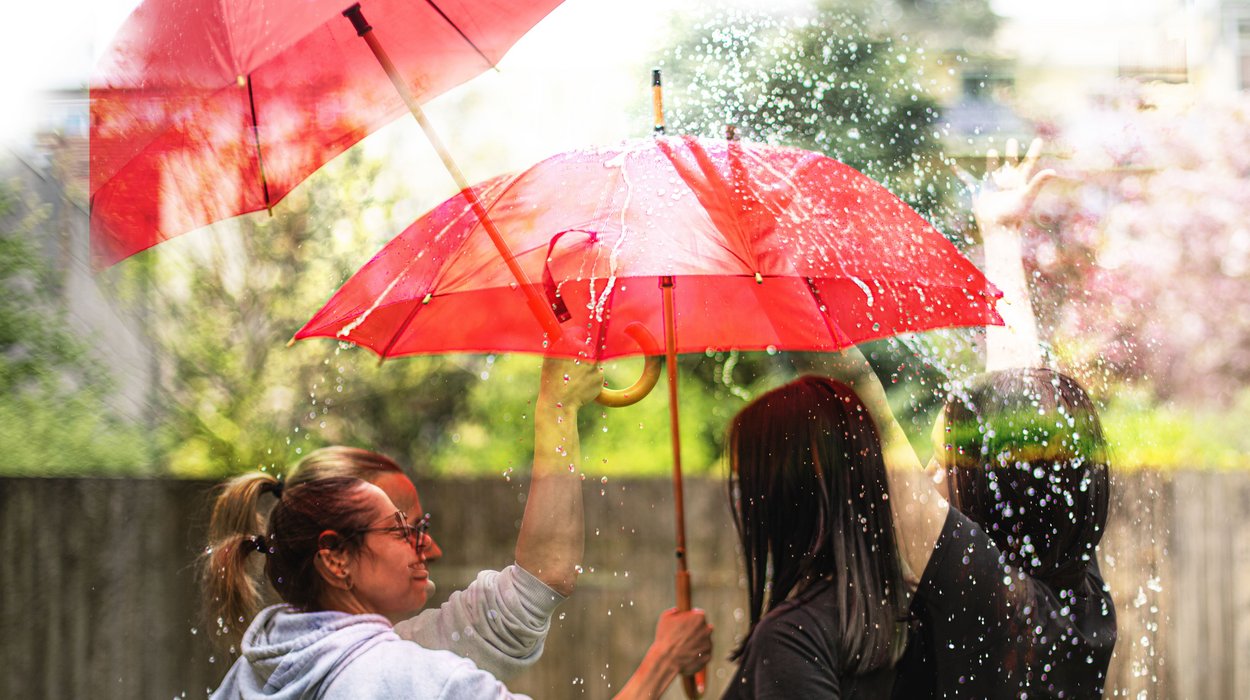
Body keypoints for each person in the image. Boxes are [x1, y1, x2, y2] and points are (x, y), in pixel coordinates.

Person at [201, 357, 713, 698]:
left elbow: (530, 593)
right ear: (334, 555)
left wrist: (556, 413)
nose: (431, 547)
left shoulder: (253, 671)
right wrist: (664, 659)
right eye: (402, 527)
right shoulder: (410, 677)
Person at [855, 138, 1115, 698]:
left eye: (942, 459)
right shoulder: (1074, 589)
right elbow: (1023, 414)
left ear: (994, 488)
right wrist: (1001, 238)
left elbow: (871, 418)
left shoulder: (987, 593)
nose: (926, 474)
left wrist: (781, 282)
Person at [720, 375, 910, 698]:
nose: (740, 502)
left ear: (784, 493)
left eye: (745, 483)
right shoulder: (916, 612)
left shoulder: (790, 639)